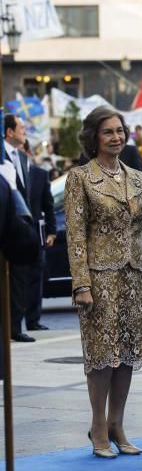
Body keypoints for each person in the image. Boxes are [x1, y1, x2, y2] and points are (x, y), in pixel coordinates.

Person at [64, 106, 142, 458]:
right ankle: (98, 426)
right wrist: (81, 284)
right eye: (109, 132)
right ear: (94, 138)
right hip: (100, 279)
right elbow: (75, 236)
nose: (117, 137)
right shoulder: (80, 178)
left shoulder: (136, 176)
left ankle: (118, 423)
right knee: (102, 356)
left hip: (135, 276)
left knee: (129, 354)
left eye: (120, 131)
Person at [3, 114, 35, 343]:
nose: (25, 131)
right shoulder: (2, 157)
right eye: (21, 127)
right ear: (9, 132)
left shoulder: (22, 158)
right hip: (6, 226)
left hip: (21, 230)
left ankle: (15, 326)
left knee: (19, 280)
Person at [25, 144, 56, 331]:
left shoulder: (39, 174)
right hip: (14, 233)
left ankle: (33, 320)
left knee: (36, 277)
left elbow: (49, 205)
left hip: (36, 233)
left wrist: (52, 231)